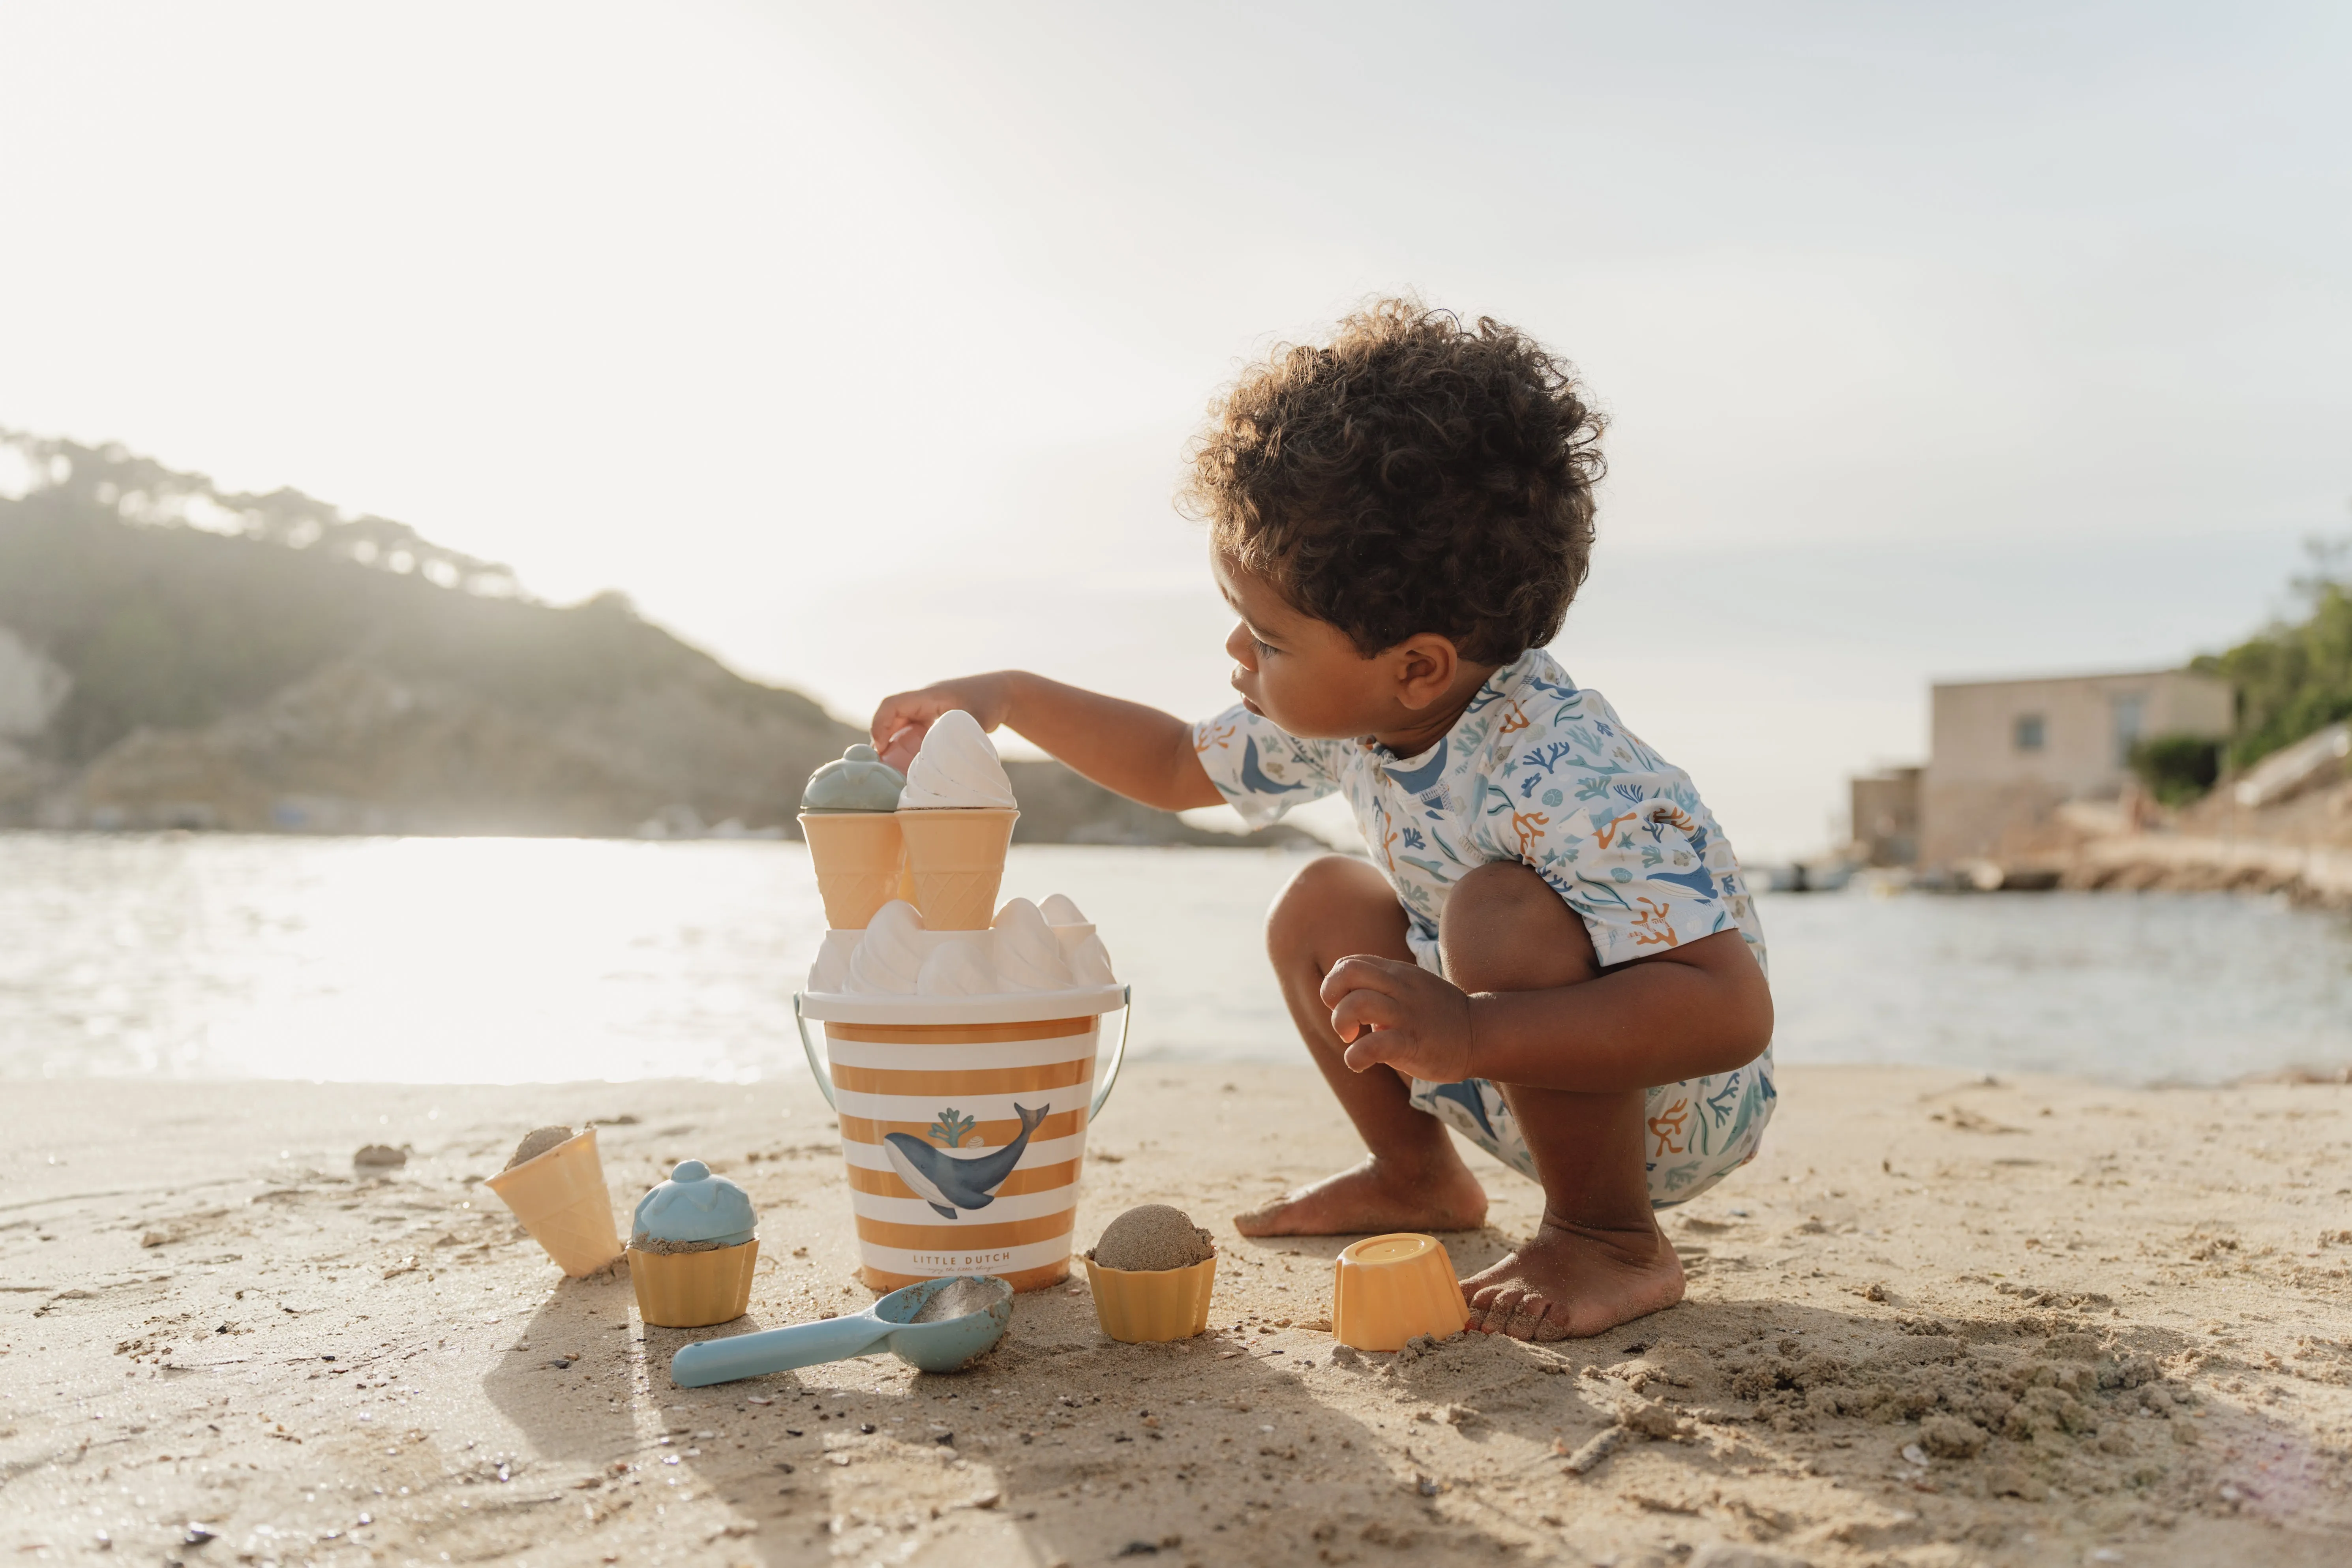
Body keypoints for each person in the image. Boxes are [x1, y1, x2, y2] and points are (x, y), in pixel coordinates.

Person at [870, 300, 1775, 1340]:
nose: (1235, 655)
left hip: (1664, 1097)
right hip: (1500, 1059)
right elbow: (1173, 764)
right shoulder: (1358, 714)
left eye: (1266, 635)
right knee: (1320, 901)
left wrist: (1475, 1029)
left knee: (1495, 911)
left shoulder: (1562, 767)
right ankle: (1415, 1175)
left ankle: (1608, 1238)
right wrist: (1012, 696)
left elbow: (1728, 1011)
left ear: (1418, 663)